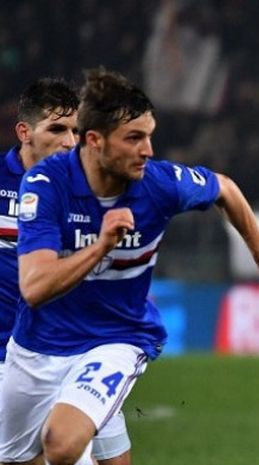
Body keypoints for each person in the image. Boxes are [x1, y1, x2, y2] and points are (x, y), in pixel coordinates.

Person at [0, 68, 259, 465]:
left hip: (115, 338)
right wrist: (101, 247)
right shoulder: (45, 184)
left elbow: (225, 189)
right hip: (37, 346)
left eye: (149, 136)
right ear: (95, 141)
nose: (148, 150)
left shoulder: (161, 183)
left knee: (63, 444)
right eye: (134, 138)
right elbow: (35, 286)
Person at [0, 78, 134, 465]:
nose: (68, 141)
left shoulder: (91, 186)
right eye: (57, 129)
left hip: (79, 348)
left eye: (75, 131)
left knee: (116, 460)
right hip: (12, 359)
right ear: (24, 132)